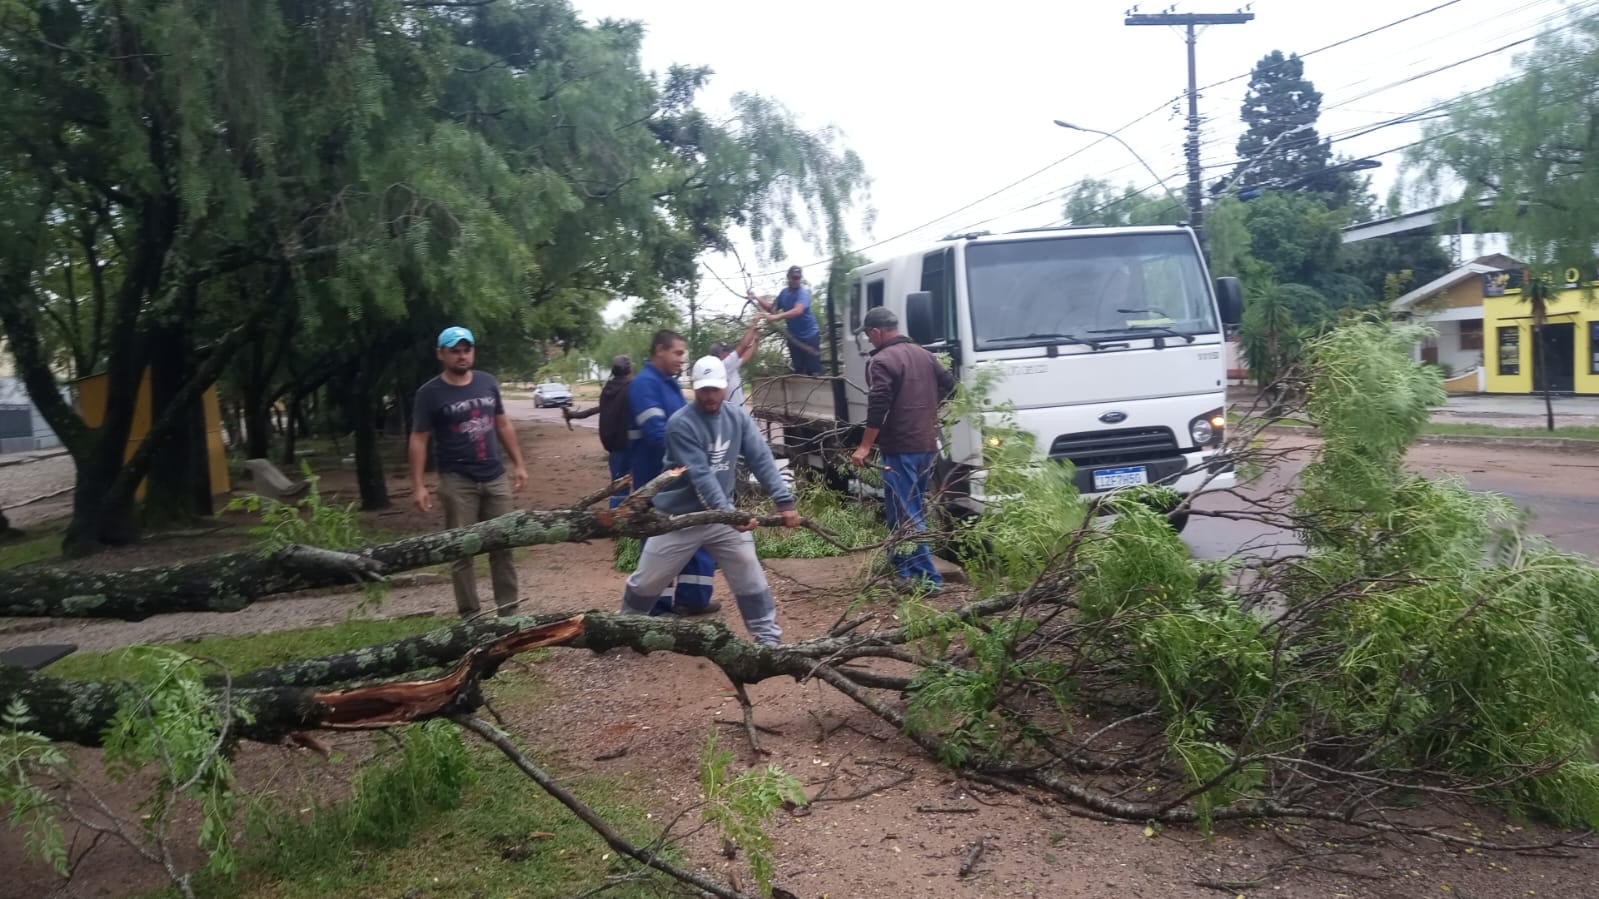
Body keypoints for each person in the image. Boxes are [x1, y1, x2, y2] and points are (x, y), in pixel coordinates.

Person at [618, 355, 801, 645]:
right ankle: (619, 629)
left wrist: (784, 500)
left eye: (715, 389)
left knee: (749, 572)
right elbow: (701, 476)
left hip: (721, 517)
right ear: (694, 388)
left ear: (726, 386)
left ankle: (768, 640)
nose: (710, 396)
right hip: (677, 519)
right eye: (703, 389)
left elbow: (761, 458)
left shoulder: (737, 417)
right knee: (647, 580)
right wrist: (732, 516)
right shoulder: (680, 424)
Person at [409, 325, 529, 618]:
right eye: (455, 351)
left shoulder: (487, 382)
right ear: (441, 354)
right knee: (461, 551)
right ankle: (471, 618)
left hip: (494, 476)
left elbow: (502, 423)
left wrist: (519, 464)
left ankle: (509, 615)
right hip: (456, 481)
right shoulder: (429, 393)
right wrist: (418, 485)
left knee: (503, 546)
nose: (462, 356)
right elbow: (419, 438)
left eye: (467, 349)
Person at [848, 307, 956, 594]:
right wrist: (928, 412)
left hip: (900, 449)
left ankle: (929, 579)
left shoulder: (882, 361)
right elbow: (952, 387)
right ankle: (903, 571)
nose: (870, 342)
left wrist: (864, 446)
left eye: (869, 337)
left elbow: (878, 407)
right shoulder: (924, 355)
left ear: (876, 332)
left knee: (907, 514)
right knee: (904, 510)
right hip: (926, 446)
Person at [628, 329, 719, 615]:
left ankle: (693, 600)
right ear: (660, 350)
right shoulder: (644, 385)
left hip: (678, 477)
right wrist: (693, 455)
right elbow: (657, 434)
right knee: (660, 544)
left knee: (695, 533)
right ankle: (656, 607)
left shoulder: (669, 384)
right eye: (678, 353)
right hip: (655, 481)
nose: (683, 359)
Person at [563, 355, 634, 507]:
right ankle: (620, 521)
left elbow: (600, 409)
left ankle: (617, 520)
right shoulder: (632, 387)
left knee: (618, 486)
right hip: (630, 444)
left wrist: (573, 415)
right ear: (629, 370)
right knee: (635, 486)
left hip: (613, 446)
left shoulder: (608, 390)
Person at [748, 265, 822, 375]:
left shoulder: (803, 293)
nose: (795, 281)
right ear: (788, 277)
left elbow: (798, 310)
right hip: (794, 337)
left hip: (810, 336)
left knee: (813, 370)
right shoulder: (784, 293)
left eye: (797, 278)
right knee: (799, 369)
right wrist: (756, 298)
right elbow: (772, 309)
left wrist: (776, 317)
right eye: (793, 278)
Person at [709, 317, 761, 407]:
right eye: (727, 351)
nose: (730, 353)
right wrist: (753, 324)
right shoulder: (723, 366)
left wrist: (756, 340)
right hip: (732, 415)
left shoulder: (730, 366)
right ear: (720, 354)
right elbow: (743, 346)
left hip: (737, 414)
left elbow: (746, 356)